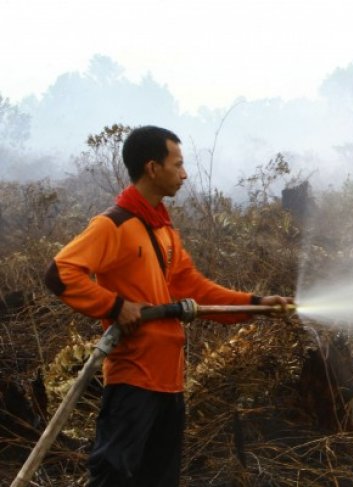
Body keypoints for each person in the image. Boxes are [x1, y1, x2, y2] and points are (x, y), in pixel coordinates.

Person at [43, 125, 293, 486]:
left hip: (169, 384)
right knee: (114, 475)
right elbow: (60, 272)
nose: (185, 173)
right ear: (152, 168)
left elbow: (194, 289)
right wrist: (115, 306)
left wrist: (256, 304)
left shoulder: (163, 231)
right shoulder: (114, 225)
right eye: (177, 164)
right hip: (133, 380)